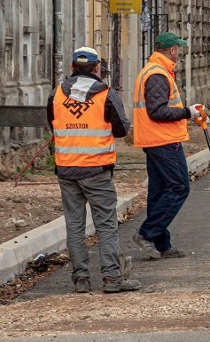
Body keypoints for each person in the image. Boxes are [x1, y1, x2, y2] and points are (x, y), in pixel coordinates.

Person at [47, 46, 141, 293]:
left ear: (71, 68)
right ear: (97, 68)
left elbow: (52, 124)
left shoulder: (56, 94)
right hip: (96, 170)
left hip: (67, 170)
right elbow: (121, 129)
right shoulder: (105, 94)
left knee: (74, 224)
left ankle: (81, 279)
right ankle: (112, 278)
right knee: (106, 224)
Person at [132, 32, 205, 259]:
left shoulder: (154, 70)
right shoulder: (157, 74)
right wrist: (188, 113)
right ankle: (147, 233)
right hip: (164, 140)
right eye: (179, 49)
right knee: (178, 187)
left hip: (156, 140)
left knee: (159, 191)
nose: (180, 53)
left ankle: (161, 244)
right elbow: (157, 111)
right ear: (172, 50)